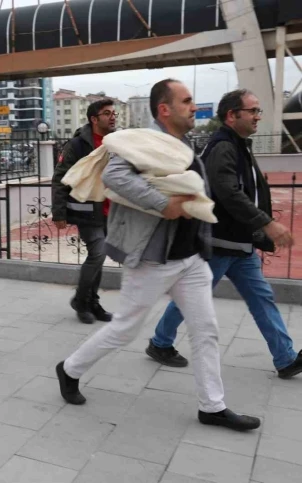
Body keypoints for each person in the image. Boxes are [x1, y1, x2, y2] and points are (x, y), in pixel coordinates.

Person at [56, 79, 260, 431]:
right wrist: (162, 203)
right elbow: (115, 175)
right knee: (124, 330)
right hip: (154, 257)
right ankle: (70, 368)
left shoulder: (182, 144)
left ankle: (212, 406)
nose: (194, 107)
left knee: (205, 329)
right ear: (164, 109)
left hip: (190, 257)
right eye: (187, 101)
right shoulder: (140, 141)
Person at [147, 89, 301, 378]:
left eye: (258, 111)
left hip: (241, 244)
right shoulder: (223, 147)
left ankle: (285, 358)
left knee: (262, 298)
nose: (258, 116)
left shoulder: (238, 144)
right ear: (233, 115)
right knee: (191, 299)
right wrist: (266, 223)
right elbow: (228, 192)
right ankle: (160, 342)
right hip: (218, 244)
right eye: (253, 111)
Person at [52, 99, 116, 324]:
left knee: (98, 258)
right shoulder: (78, 144)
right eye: (107, 113)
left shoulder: (116, 142)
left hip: (111, 209)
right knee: (97, 253)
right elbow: (60, 177)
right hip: (87, 210)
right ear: (94, 119)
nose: (112, 117)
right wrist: (58, 213)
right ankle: (81, 300)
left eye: (113, 113)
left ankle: (92, 302)